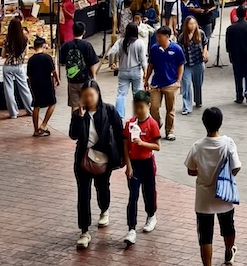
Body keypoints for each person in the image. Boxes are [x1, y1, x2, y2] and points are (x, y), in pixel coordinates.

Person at [185, 107, 242, 266]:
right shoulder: (228, 143)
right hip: (224, 196)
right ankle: (228, 251)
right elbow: (236, 167)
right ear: (221, 123)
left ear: (204, 123)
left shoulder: (197, 146)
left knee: (205, 236)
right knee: (228, 227)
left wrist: (202, 173)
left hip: (203, 199)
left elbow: (190, 170)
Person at [68, 79, 124, 250]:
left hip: (103, 157)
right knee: (83, 194)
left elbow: (120, 133)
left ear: (98, 94)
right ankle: (84, 231)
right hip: (83, 159)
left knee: (102, 187)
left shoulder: (109, 110)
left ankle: (104, 209)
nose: (89, 99)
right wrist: (79, 117)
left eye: (91, 95)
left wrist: (122, 158)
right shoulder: (79, 113)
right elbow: (73, 135)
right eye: (85, 96)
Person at [122, 90, 161, 246]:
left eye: (141, 107)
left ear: (148, 106)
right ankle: (131, 229)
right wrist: (128, 165)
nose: (138, 110)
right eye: (135, 107)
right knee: (133, 196)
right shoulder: (130, 123)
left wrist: (142, 143)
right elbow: (125, 145)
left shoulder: (152, 124)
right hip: (134, 165)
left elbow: (158, 146)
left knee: (149, 192)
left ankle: (151, 215)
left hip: (147, 164)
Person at [144, 26, 185, 141]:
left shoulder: (176, 49)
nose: (158, 38)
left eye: (160, 36)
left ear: (167, 37)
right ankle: (158, 122)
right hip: (156, 83)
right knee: (153, 107)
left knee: (170, 109)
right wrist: (146, 79)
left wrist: (178, 80)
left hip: (171, 84)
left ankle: (169, 131)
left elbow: (181, 64)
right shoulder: (154, 49)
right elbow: (151, 65)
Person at [108, 23, 148, 118]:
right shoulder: (139, 43)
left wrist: (112, 63)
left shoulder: (120, 42)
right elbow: (143, 59)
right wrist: (145, 71)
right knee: (137, 94)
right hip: (136, 71)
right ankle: (137, 115)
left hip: (123, 71)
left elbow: (111, 52)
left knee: (121, 94)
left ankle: (119, 115)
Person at [60, 21, 99, 111]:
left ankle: (75, 122)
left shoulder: (66, 45)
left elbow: (63, 62)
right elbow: (91, 63)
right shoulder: (87, 45)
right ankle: (85, 122)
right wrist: (94, 76)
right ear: (84, 32)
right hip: (85, 80)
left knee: (74, 105)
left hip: (72, 80)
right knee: (87, 103)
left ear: (72, 31)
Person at [1, 18, 34, 119]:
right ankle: (30, 109)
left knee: (9, 90)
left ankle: (13, 113)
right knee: (24, 88)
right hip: (19, 66)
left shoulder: (7, 39)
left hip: (8, 66)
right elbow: (26, 54)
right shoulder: (25, 38)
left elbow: (3, 55)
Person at [226, 6, 247, 106]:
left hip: (236, 55)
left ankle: (239, 97)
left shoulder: (230, 28)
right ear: (245, 15)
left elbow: (228, 44)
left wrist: (230, 54)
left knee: (238, 76)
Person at [27, 36, 59, 137]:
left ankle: (36, 130)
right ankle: (44, 124)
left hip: (35, 84)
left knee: (36, 106)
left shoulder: (31, 60)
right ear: (43, 45)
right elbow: (53, 71)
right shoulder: (47, 57)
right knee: (52, 103)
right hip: (47, 83)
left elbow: (29, 74)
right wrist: (57, 80)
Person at [180, 15, 209, 115]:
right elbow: (179, 51)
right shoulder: (182, 36)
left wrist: (205, 52)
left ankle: (198, 100)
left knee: (198, 83)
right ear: (186, 25)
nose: (192, 26)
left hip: (198, 62)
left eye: (194, 23)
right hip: (187, 64)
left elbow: (205, 43)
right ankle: (187, 107)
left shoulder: (200, 33)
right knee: (186, 85)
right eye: (190, 24)